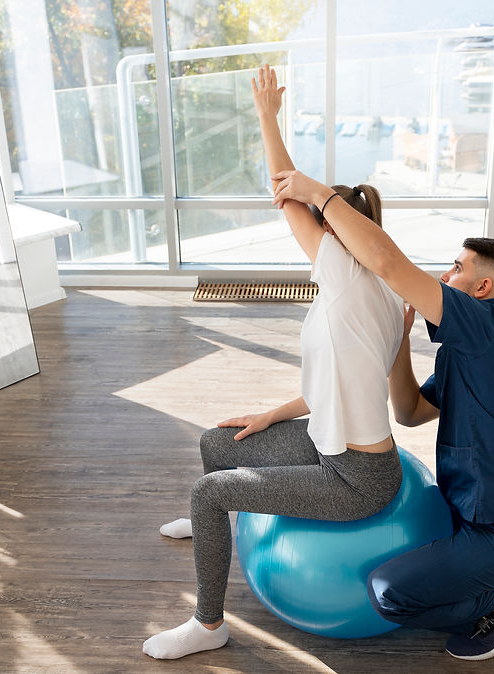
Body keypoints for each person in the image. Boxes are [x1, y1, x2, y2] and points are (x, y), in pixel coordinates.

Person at [143, 65, 405, 660]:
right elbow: (335, 389)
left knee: (210, 491)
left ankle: (210, 626)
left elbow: (285, 188)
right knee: (220, 441)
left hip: (356, 480)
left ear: (336, 231)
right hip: (328, 444)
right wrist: (269, 414)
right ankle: (213, 523)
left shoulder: (345, 274)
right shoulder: (382, 297)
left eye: (321, 225)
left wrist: (266, 116)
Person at [271, 169, 494, 661]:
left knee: (391, 592)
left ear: (479, 288)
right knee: (425, 557)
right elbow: (410, 412)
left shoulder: (492, 325)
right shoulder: (468, 349)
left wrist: (318, 196)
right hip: (485, 513)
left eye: (454, 268)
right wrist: (397, 344)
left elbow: (389, 264)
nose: (442, 277)